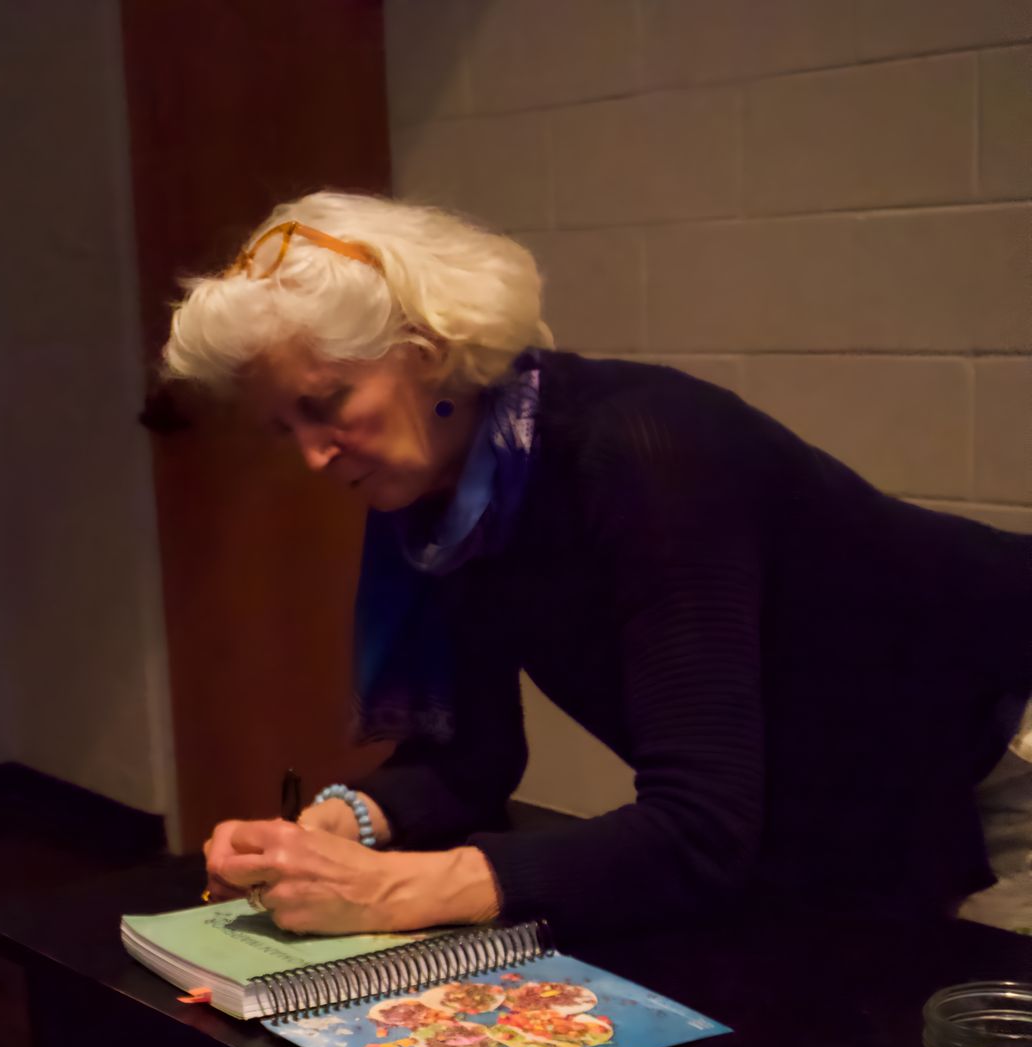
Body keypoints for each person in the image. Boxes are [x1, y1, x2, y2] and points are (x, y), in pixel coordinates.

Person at [166, 192, 1032, 939]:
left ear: (426, 350)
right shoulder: (441, 496)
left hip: (1002, 726)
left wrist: (395, 891)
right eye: (287, 429)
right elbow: (470, 763)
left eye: (327, 406)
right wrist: (337, 828)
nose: (314, 457)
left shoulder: (646, 451)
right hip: (849, 787)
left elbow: (699, 828)